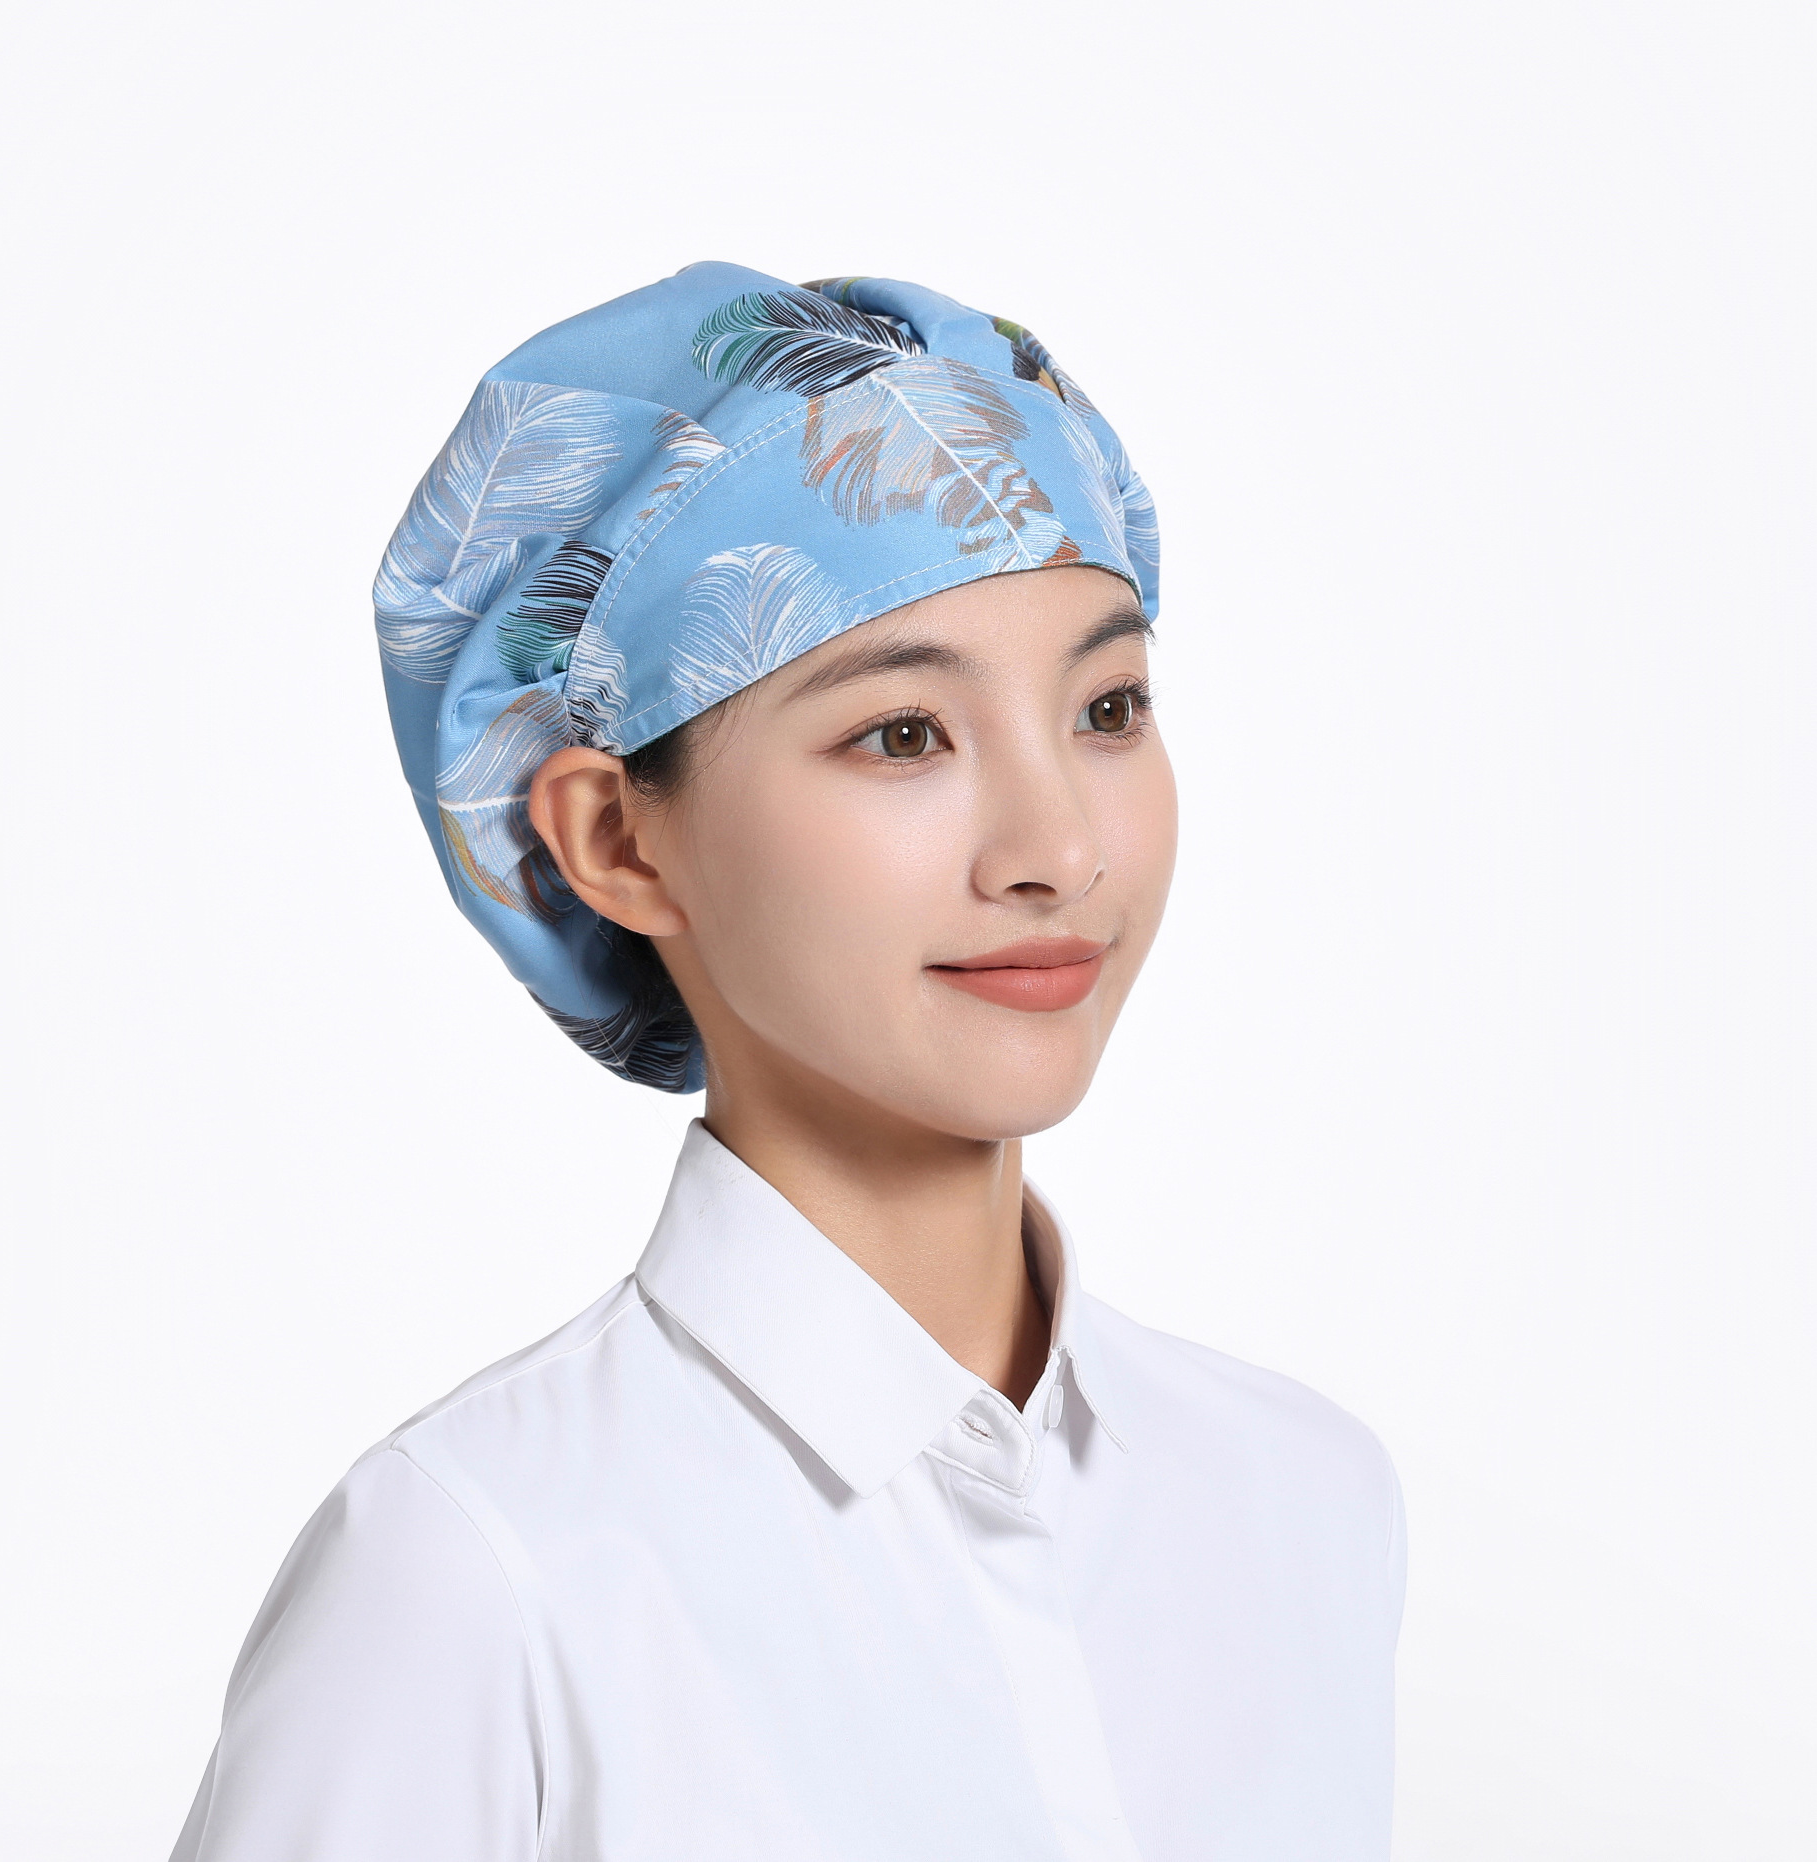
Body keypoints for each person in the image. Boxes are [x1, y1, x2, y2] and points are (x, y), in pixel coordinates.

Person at [169, 263, 1405, 1862]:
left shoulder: (1303, 1500)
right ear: (615, 840)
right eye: (902, 733)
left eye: (1107, 707)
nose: (1057, 849)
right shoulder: (478, 1572)